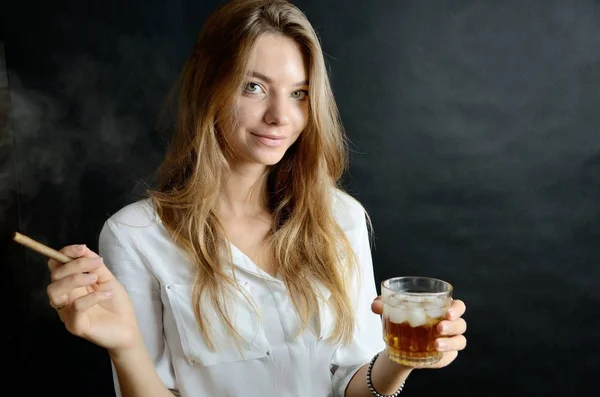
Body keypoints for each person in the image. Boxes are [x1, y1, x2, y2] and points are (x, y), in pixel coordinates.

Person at [45, 1, 467, 396]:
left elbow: (350, 385)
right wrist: (125, 347)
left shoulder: (341, 218)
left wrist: (399, 360)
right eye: (253, 87)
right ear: (209, 88)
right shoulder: (134, 235)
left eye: (299, 93)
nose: (280, 116)